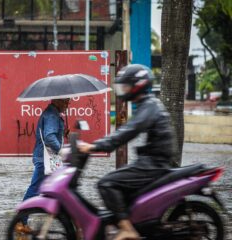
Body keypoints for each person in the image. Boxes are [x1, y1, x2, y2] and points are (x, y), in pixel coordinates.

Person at [79, 64, 176, 240]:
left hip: (153, 164)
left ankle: (127, 229)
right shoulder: (148, 105)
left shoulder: (149, 107)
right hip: (151, 161)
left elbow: (127, 132)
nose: (123, 90)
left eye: (126, 85)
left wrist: (95, 146)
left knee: (106, 183)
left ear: (138, 85)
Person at [16, 98, 70, 233]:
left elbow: (51, 135)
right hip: (45, 159)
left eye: (68, 102)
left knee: (55, 189)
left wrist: (62, 133)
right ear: (57, 101)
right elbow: (49, 137)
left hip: (46, 158)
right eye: (65, 102)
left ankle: (66, 220)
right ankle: (20, 221)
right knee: (35, 189)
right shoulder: (52, 115)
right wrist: (62, 150)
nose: (67, 104)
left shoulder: (52, 114)